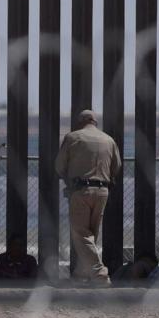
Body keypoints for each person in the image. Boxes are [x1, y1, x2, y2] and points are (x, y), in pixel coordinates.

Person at [55, 109, 122, 286]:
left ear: (80, 121)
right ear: (95, 122)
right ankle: (81, 273)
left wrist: (69, 179)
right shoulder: (109, 139)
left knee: (80, 233)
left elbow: (59, 166)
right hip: (103, 191)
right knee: (91, 234)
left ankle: (100, 274)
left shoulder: (73, 137)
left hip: (80, 190)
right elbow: (117, 167)